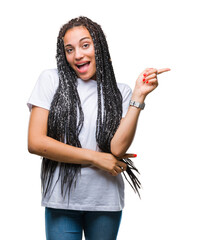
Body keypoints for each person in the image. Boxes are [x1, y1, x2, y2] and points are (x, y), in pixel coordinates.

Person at [27, 16, 170, 240]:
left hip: (105, 200)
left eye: (85, 45)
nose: (78, 55)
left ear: (99, 47)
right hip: (61, 200)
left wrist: (139, 95)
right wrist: (96, 158)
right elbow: (36, 142)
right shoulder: (50, 80)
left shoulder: (120, 92)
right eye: (69, 49)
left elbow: (117, 149)